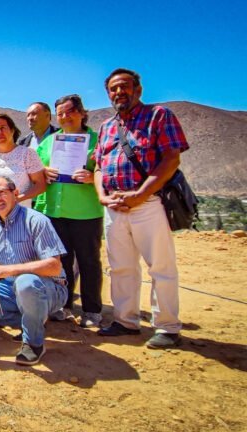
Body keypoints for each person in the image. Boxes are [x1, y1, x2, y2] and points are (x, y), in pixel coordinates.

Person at [93, 68, 189, 348]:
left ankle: (168, 327)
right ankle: (125, 321)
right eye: (113, 88)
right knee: (121, 267)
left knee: (160, 266)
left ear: (138, 90)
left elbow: (172, 159)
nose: (119, 92)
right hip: (114, 205)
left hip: (147, 203)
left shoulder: (159, 115)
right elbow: (99, 166)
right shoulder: (107, 126)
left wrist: (140, 193)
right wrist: (101, 196)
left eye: (124, 87)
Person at [0, 176, 67, 366]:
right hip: (11, 290)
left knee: (25, 282)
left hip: (50, 288)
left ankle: (33, 343)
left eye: (1, 192)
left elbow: (54, 266)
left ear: (15, 194)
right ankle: (32, 320)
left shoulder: (36, 220)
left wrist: (9, 270)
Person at [34, 94, 104, 327]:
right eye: (60, 113)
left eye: (69, 111)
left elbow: (107, 171)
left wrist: (91, 177)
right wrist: (45, 170)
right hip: (54, 211)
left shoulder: (97, 140)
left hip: (86, 212)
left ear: (82, 113)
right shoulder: (50, 141)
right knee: (60, 263)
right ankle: (62, 305)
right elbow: (35, 166)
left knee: (88, 262)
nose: (64, 117)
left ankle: (92, 311)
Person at [0, 114, 46, 223]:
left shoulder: (27, 154)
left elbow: (40, 185)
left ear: (12, 130)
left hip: (21, 217)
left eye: (2, 128)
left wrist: (18, 198)